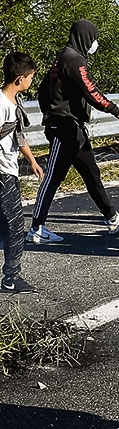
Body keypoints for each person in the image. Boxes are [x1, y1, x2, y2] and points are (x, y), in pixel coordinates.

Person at [27, 19, 119, 244]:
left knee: (91, 173)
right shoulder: (74, 60)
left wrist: (48, 110)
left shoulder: (62, 57)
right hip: (65, 128)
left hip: (72, 127)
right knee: (52, 178)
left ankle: (112, 218)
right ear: (85, 37)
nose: (94, 43)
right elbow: (91, 91)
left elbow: (42, 89)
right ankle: (36, 228)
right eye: (93, 38)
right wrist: (116, 111)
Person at [0, 53, 44, 294]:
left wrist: (33, 161)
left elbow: (16, 136)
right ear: (19, 79)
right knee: (15, 225)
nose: (31, 81)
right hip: (2, 173)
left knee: (5, 225)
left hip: (10, 169)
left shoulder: (13, 103)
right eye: (30, 78)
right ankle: (11, 278)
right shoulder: (1, 105)